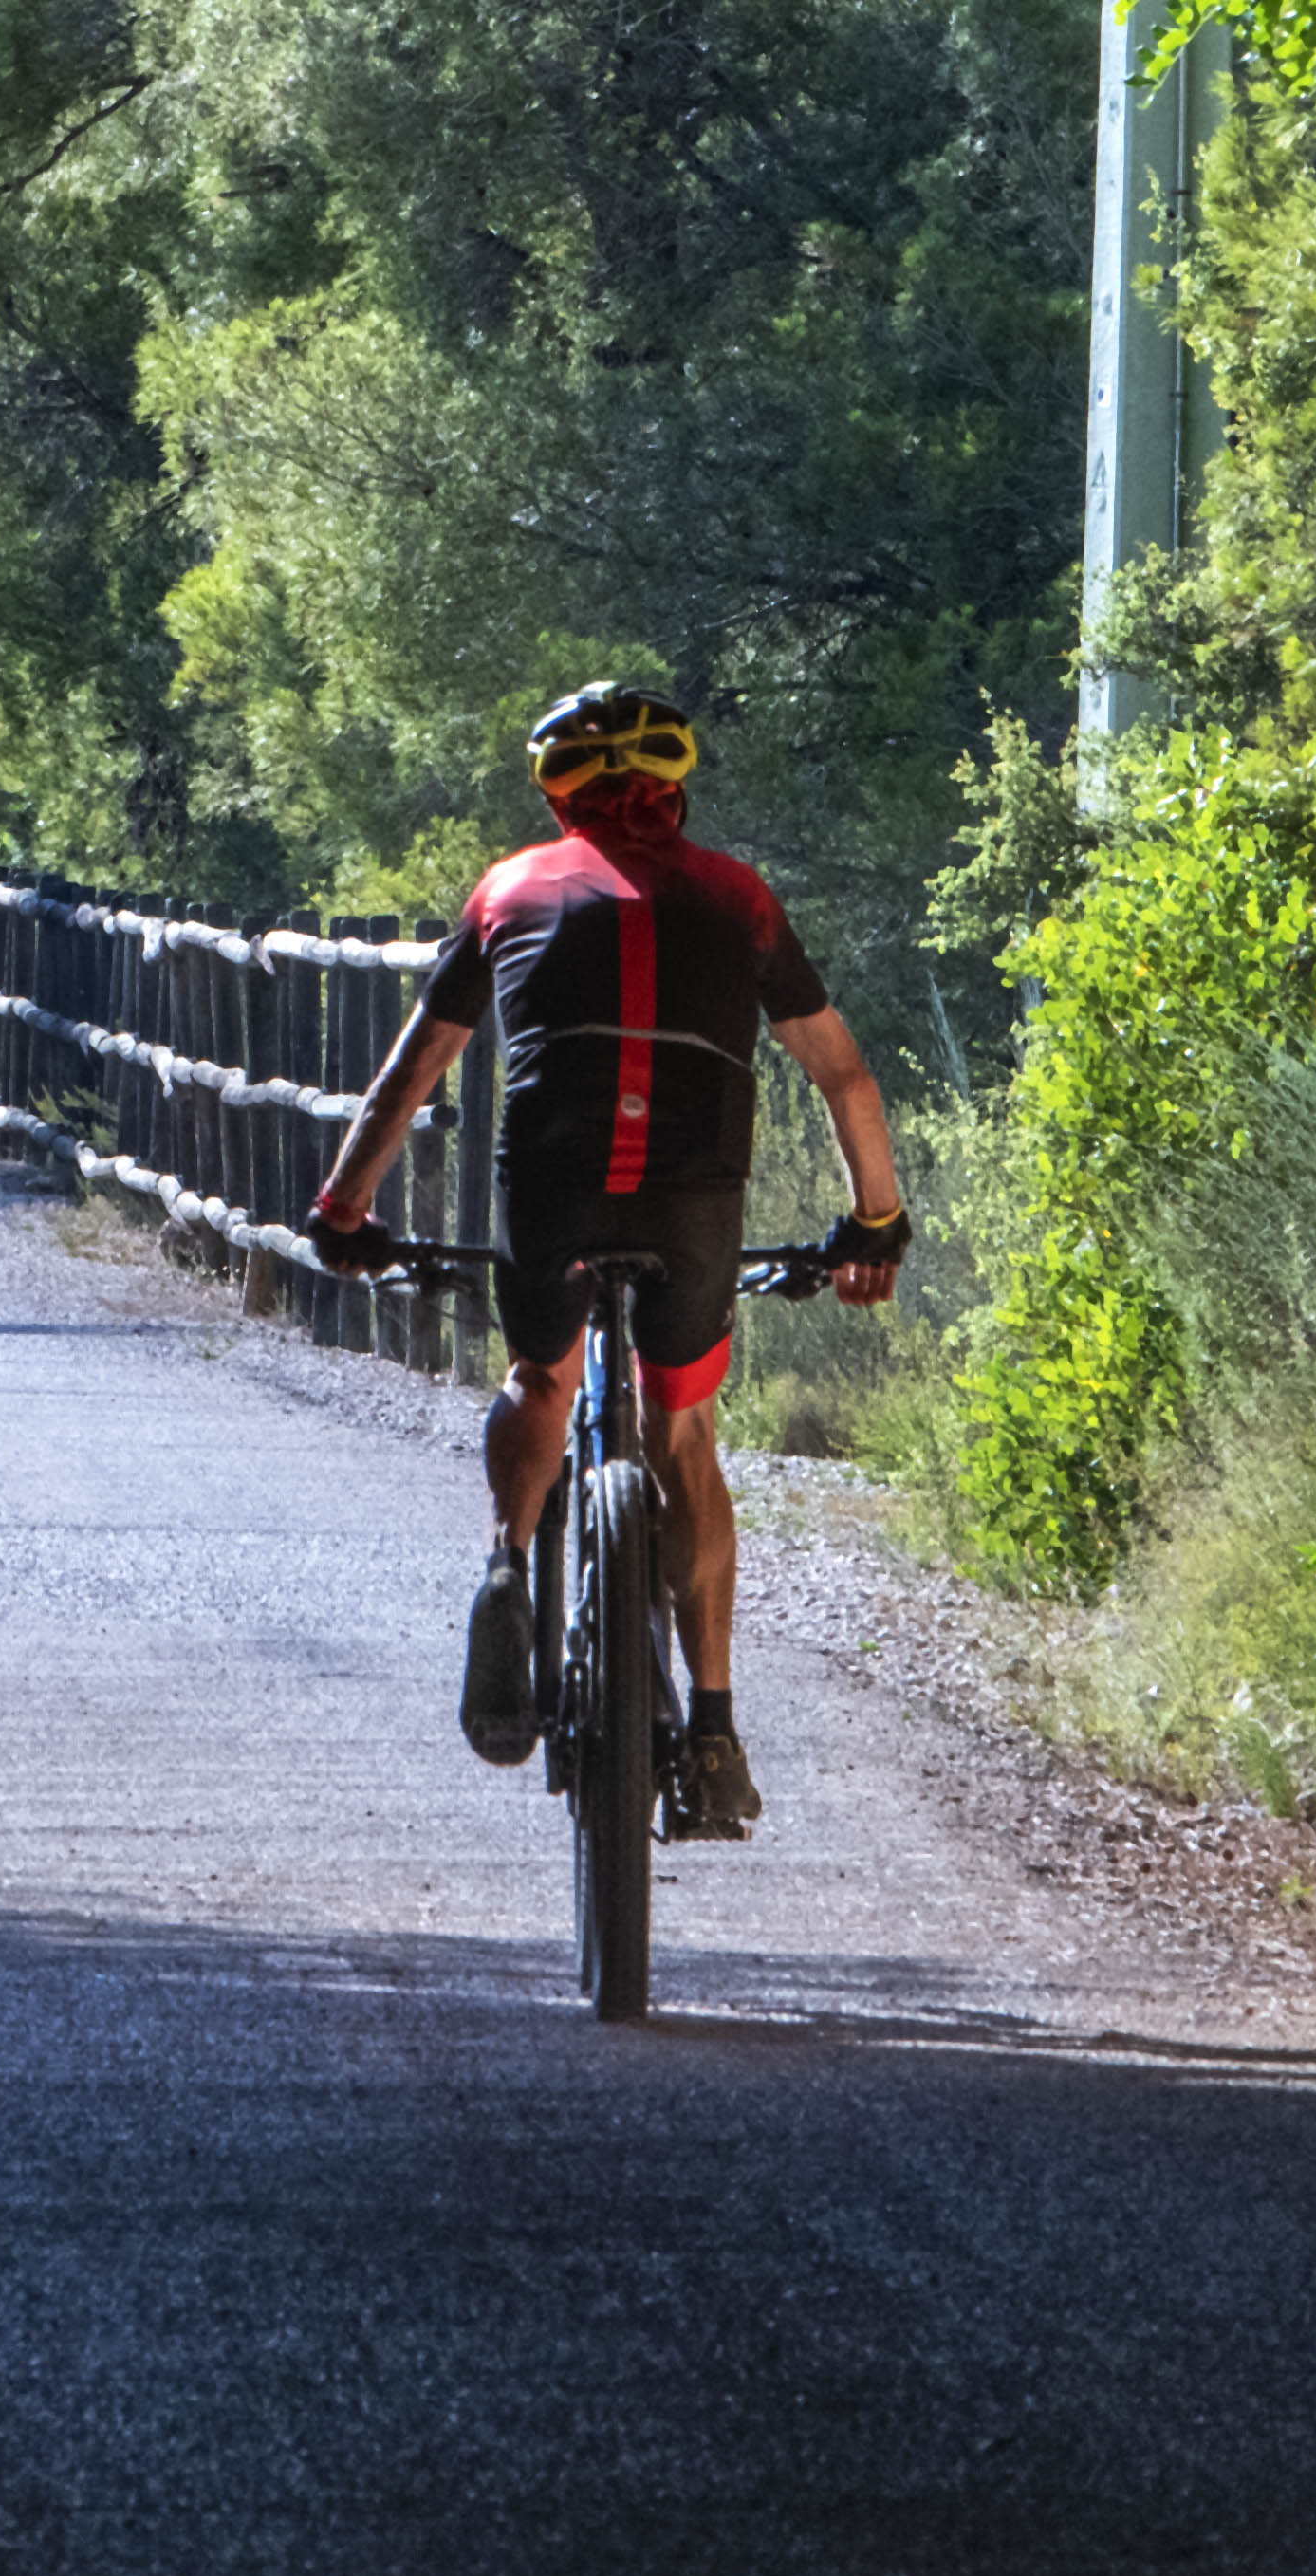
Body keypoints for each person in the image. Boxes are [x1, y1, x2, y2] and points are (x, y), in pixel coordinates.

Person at [303, 679, 910, 1844]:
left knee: (543, 1376)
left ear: (556, 792)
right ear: (676, 788)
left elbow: (412, 1074)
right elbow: (844, 1075)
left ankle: (506, 1563)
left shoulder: (510, 889)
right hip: (695, 1203)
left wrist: (344, 1205)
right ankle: (718, 1723)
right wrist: (873, 1223)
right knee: (682, 1429)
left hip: (551, 1189)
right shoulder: (742, 899)